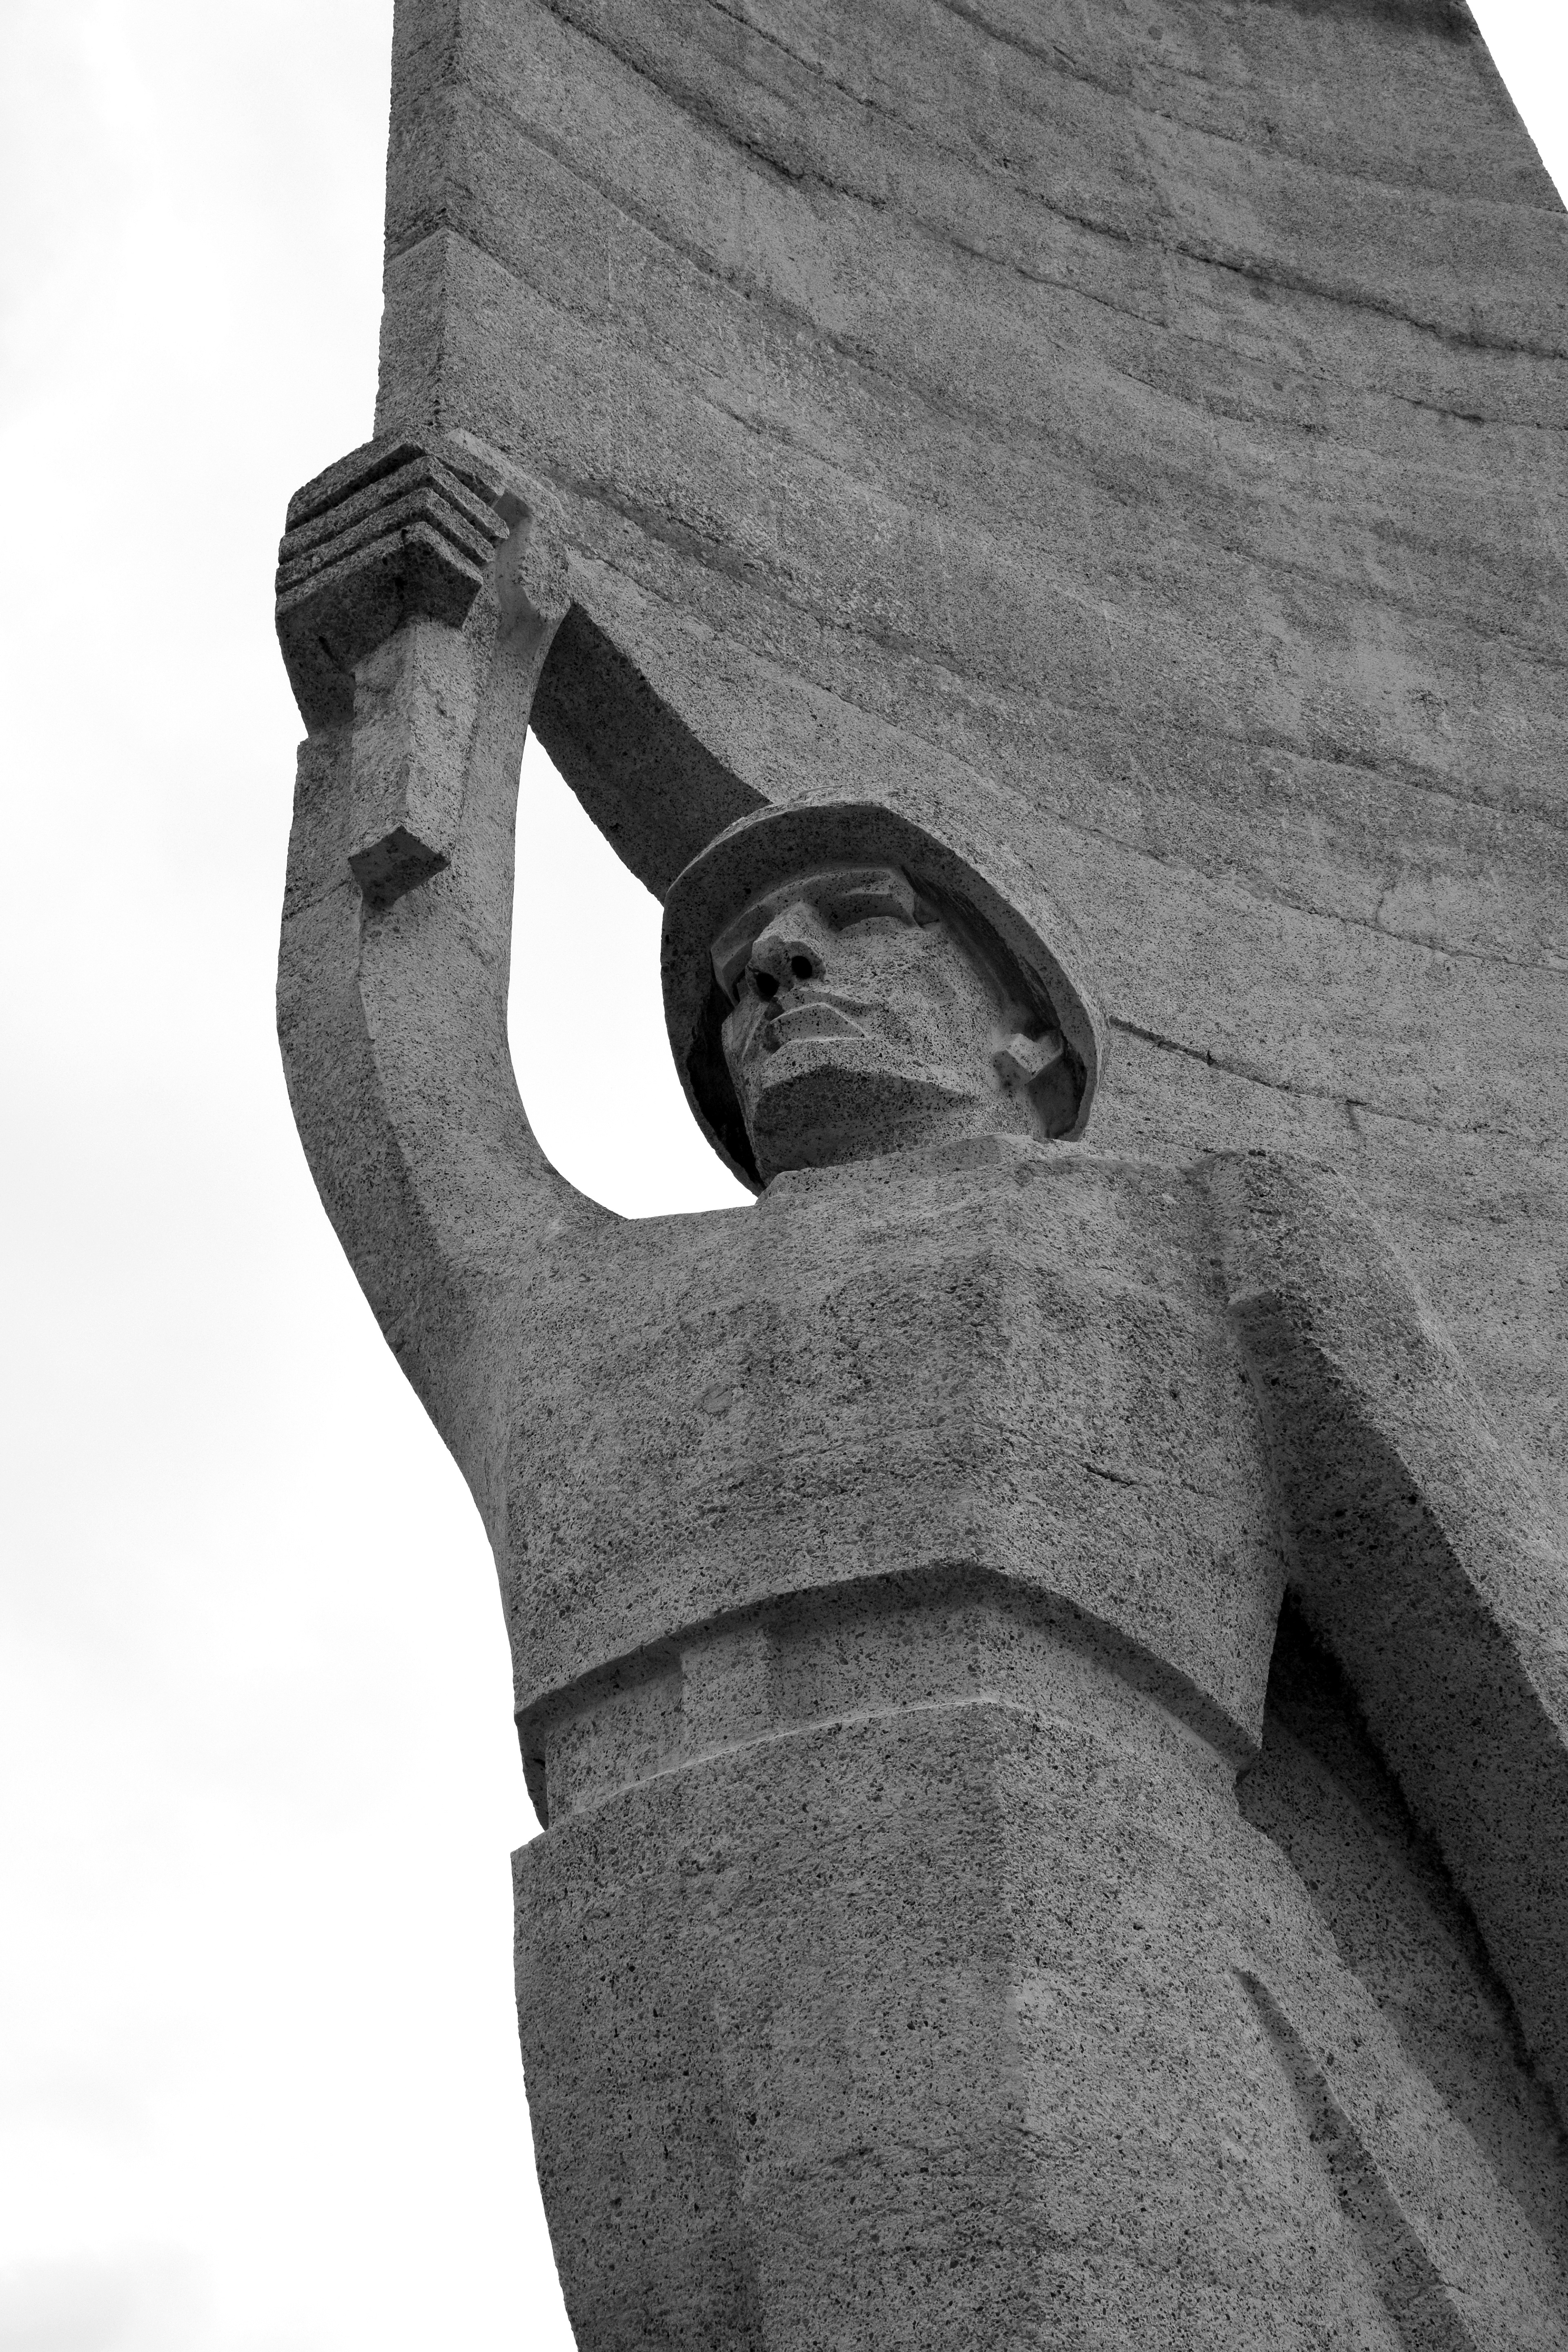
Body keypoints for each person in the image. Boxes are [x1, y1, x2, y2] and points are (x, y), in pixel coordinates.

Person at [278, 515, 1568, 2350]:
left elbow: (1498, 1698)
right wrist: (396, 686)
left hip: (1058, 1860)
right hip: (627, 1919)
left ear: (1026, 1039)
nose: (771, 976)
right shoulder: (579, 1306)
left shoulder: (1215, 1231)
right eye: (732, 977)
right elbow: (396, 1104)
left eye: (846, 922)